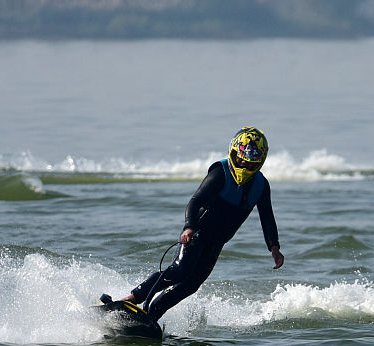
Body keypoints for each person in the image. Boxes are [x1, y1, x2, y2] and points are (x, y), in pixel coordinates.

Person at [111, 127, 284, 321]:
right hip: (196, 235)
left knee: (191, 284)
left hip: (216, 243)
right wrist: (189, 226)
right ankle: (131, 299)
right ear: (233, 153)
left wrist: (274, 247)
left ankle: (151, 317)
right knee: (179, 270)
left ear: (260, 162)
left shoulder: (261, 186)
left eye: (250, 163)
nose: (243, 164)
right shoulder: (221, 173)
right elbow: (195, 201)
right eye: (240, 159)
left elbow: (267, 217)